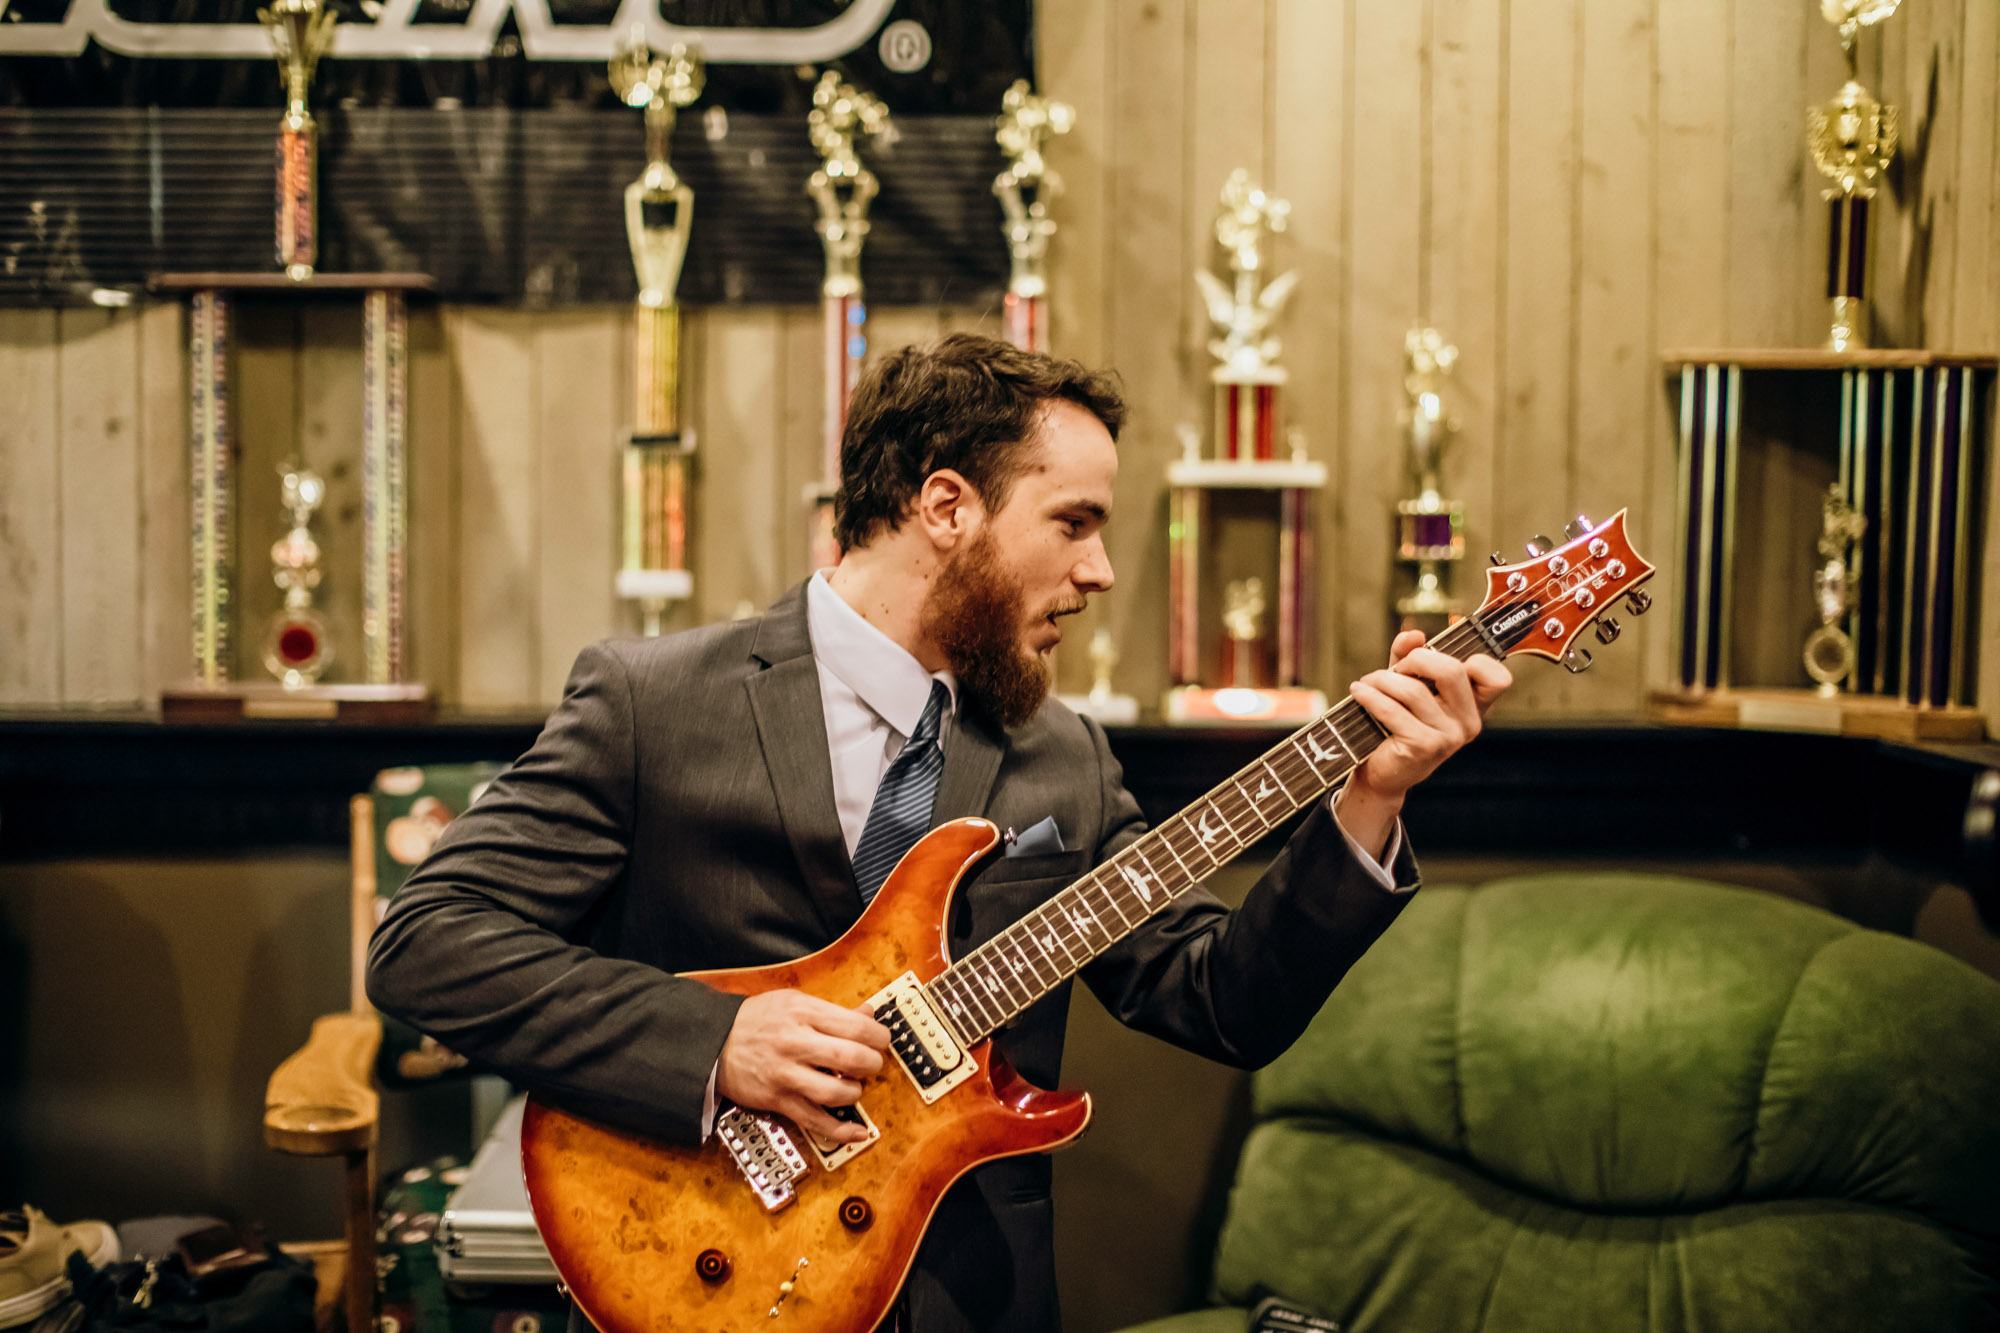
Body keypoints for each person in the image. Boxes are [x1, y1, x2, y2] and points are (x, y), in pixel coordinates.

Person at [365, 333, 1511, 1333]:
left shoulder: (1060, 749)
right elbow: (425, 940)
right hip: (691, 1262)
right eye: (1073, 522)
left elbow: (1226, 1001)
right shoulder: (651, 703)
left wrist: (1367, 797)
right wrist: (714, 1043)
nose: (1101, 570)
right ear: (947, 505)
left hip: (975, 1296)